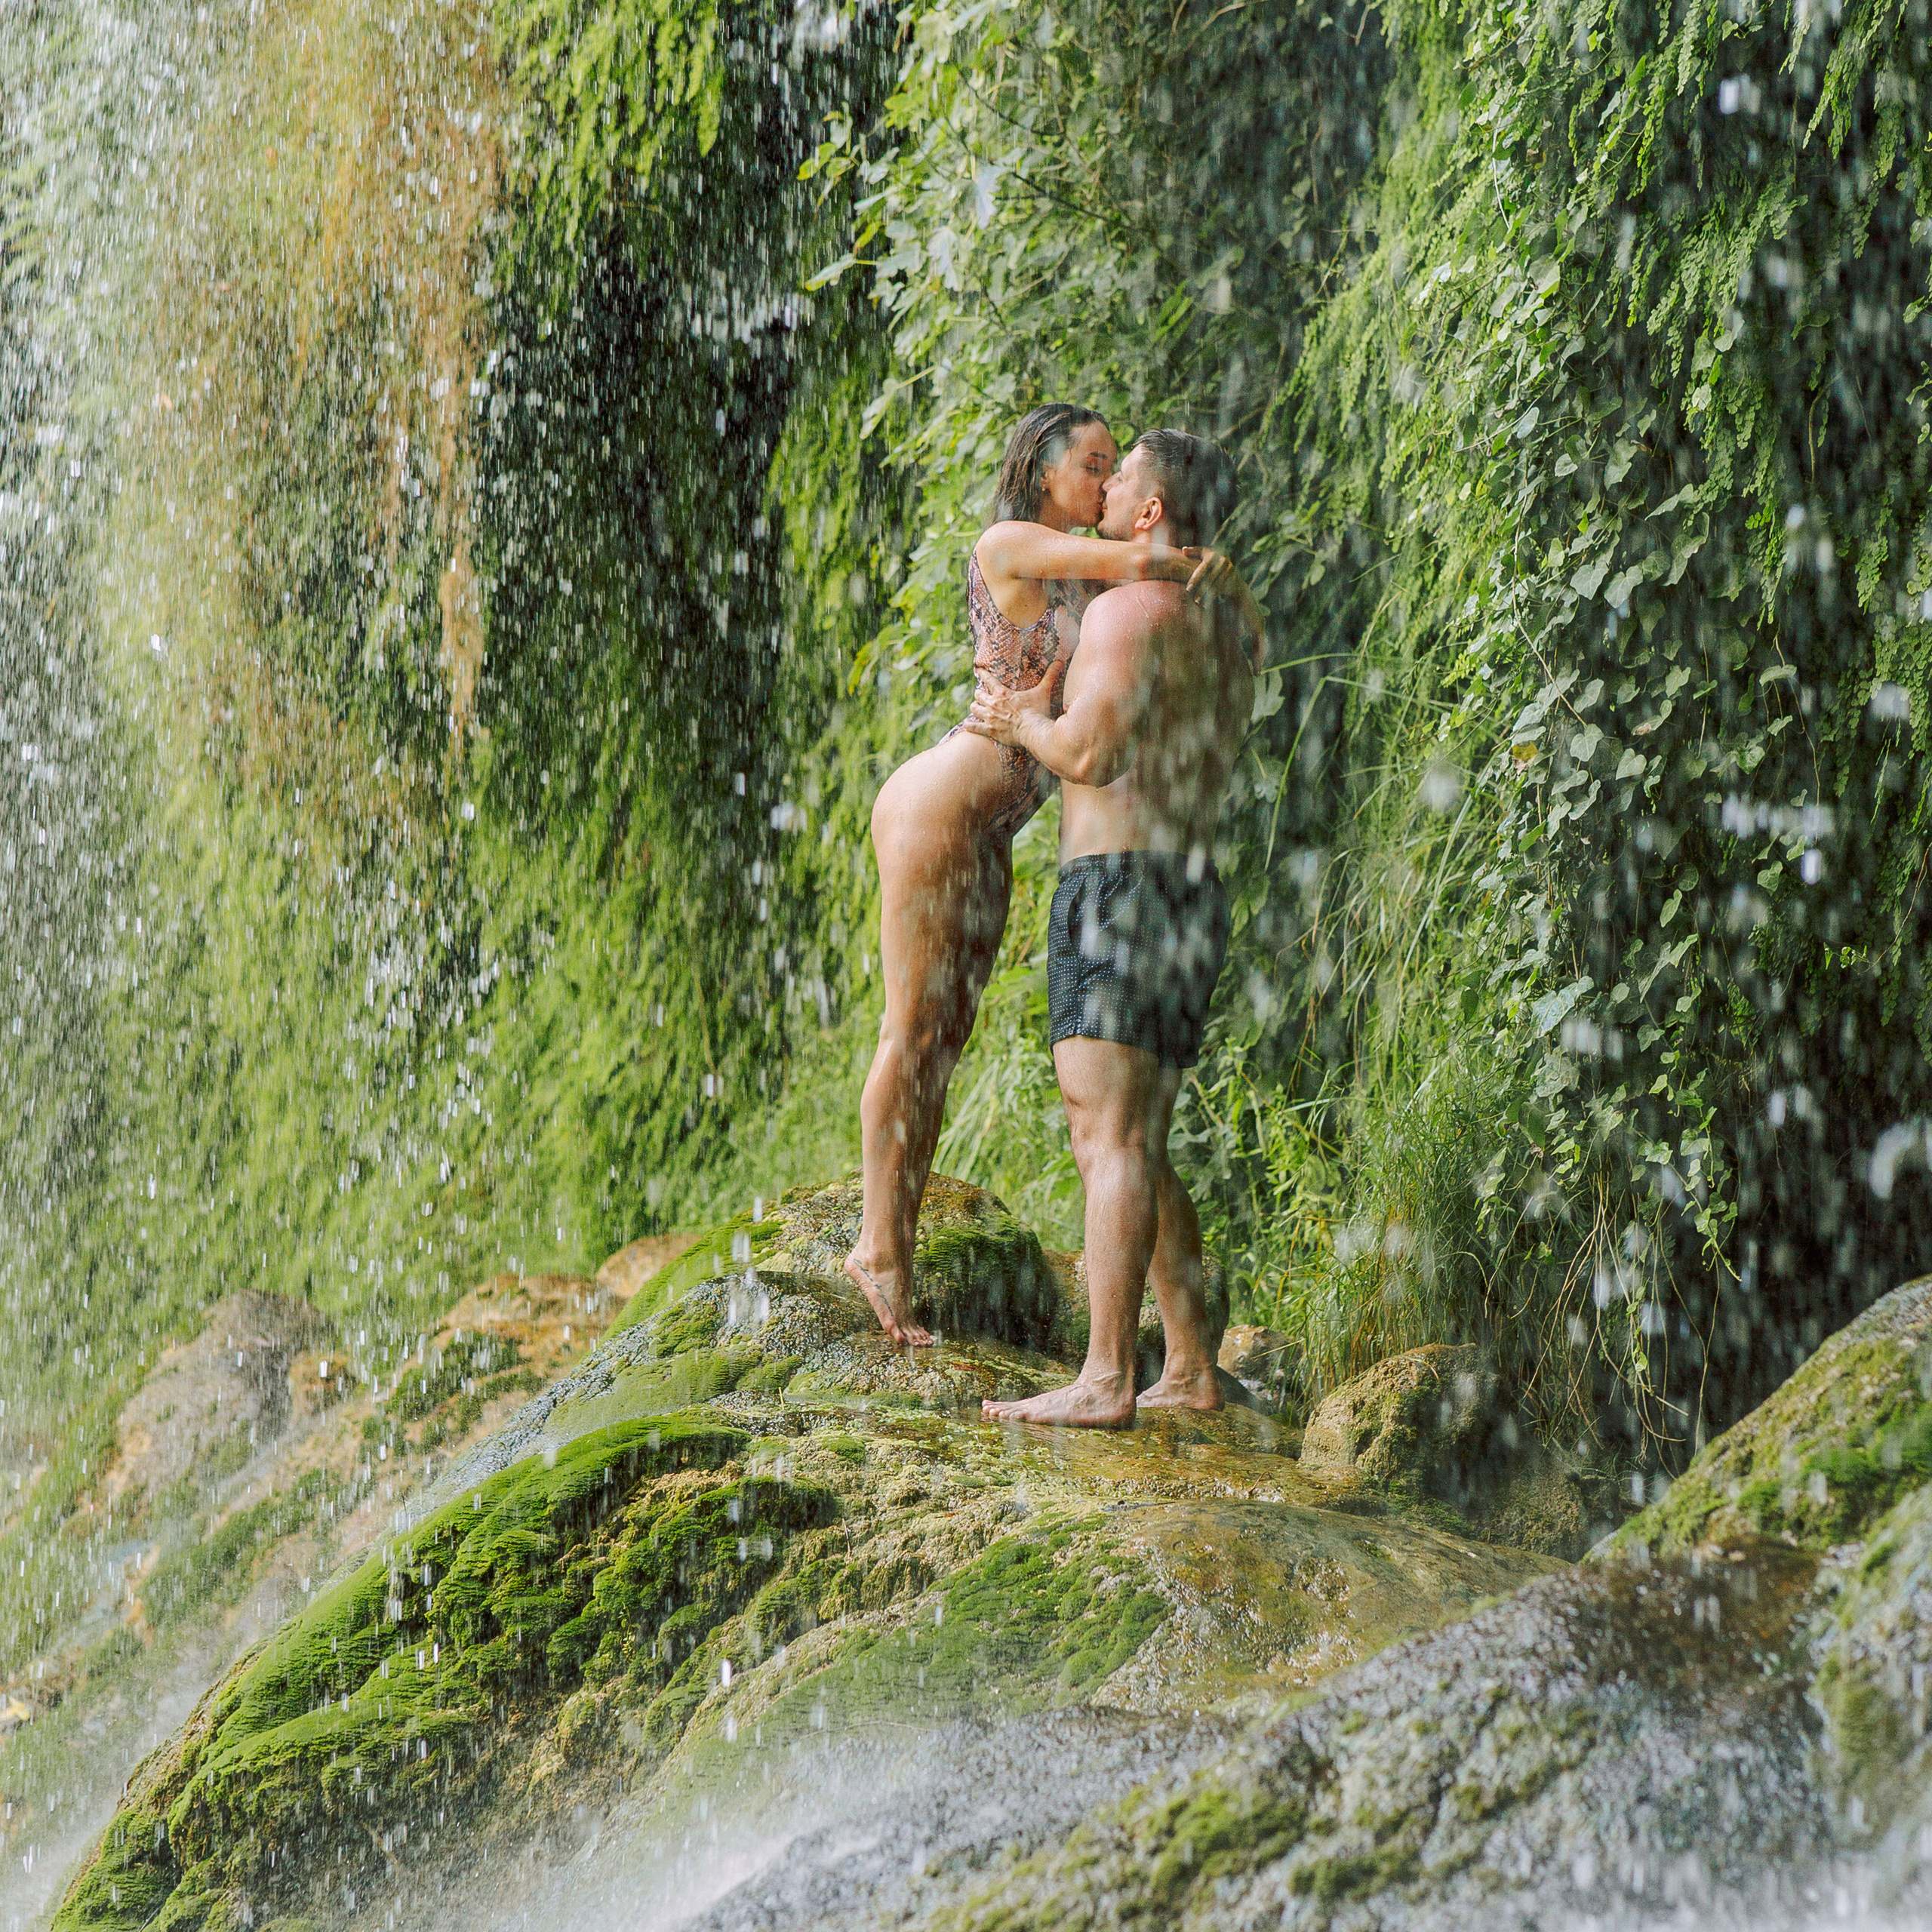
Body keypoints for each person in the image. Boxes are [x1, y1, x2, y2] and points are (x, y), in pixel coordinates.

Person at [844, 404, 1260, 1345]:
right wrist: (1209, 568)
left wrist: (1226, 587)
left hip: (988, 832)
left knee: (943, 1043)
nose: (1104, 480)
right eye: (1092, 464)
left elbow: (1150, 591)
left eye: (1116, 467)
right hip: (937, 810)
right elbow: (1149, 561)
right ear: (1041, 469)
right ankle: (879, 1249)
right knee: (911, 1032)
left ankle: (896, 1246)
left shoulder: (1090, 582)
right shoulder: (1015, 544)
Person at [964, 429, 1256, 1424]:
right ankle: (1191, 1366)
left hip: (1118, 888)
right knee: (1145, 1136)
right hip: (1189, 890)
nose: (1105, 489)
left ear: (1151, 511)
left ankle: (1104, 1378)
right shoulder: (1220, 622)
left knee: (1109, 1136)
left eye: (1120, 474)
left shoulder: (1130, 610)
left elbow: (1090, 754)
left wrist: (1017, 722)